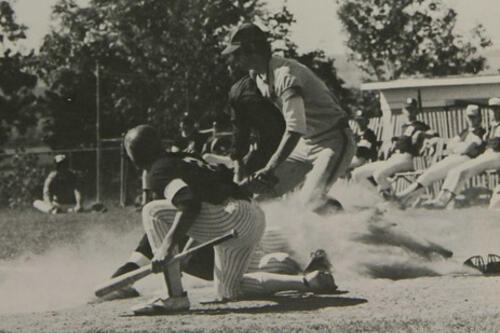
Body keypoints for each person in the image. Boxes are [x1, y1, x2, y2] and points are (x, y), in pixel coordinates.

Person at [123, 125, 337, 315]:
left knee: (152, 211)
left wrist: (166, 248)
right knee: (229, 290)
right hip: (249, 211)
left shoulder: (157, 171)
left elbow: (189, 203)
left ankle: (174, 297)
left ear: (135, 154)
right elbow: (214, 191)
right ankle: (307, 281)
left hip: (230, 217)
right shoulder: (187, 157)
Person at [222, 23, 355, 214]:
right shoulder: (258, 76)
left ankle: (356, 227)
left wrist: (269, 167)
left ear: (252, 50)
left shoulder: (285, 75)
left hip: (332, 140)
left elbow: (294, 129)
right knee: (261, 196)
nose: (234, 60)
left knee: (311, 201)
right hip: (306, 143)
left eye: (237, 53)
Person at [394, 105, 486, 207]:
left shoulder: (480, 132)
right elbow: (451, 144)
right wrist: (456, 146)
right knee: (430, 173)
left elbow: (465, 150)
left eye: (474, 117)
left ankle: (440, 200)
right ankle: (404, 196)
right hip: (454, 158)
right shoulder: (465, 131)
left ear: (480, 118)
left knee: (451, 172)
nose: (471, 120)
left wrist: (456, 147)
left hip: (467, 160)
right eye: (469, 117)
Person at [351, 97, 436, 199]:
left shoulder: (420, 126)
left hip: (406, 158)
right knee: (357, 174)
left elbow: (433, 135)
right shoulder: (403, 127)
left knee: (379, 175)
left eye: (412, 109)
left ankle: (393, 202)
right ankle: (379, 199)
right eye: (407, 109)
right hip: (392, 159)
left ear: (417, 111)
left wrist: (423, 135)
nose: (409, 112)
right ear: (403, 111)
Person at [424, 97, 500, 209]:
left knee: (464, 171)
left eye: (497, 109)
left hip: (496, 155)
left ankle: (443, 201)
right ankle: (441, 199)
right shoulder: (491, 128)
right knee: (456, 170)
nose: (493, 112)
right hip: (488, 156)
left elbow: (493, 146)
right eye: (491, 109)